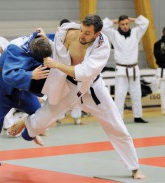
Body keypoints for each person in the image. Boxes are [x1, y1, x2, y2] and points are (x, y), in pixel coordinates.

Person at [11, 15, 145, 179]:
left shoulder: (102, 47)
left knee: (116, 125)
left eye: (87, 33)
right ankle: (27, 123)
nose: (82, 35)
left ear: (97, 34)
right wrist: (46, 38)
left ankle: (134, 167)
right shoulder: (67, 32)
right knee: (43, 118)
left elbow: (83, 72)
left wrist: (55, 65)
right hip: (68, 86)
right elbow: (57, 48)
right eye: (82, 30)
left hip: (92, 89)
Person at [0, 31, 52, 183]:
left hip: (22, 90)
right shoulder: (15, 49)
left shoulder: (44, 42)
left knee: (43, 115)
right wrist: (31, 75)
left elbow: (61, 37)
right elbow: (9, 76)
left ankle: (28, 131)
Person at [102, 15, 149, 123]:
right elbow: (103, 25)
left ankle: (138, 116)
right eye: (122, 24)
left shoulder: (136, 33)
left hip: (134, 68)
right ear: (119, 24)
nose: (125, 26)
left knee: (136, 93)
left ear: (130, 24)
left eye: (127, 24)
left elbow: (145, 22)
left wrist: (133, 19)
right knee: (120, 94)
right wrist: (114, 21)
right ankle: (119, 118)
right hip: (121, 69)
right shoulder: (114, 34)